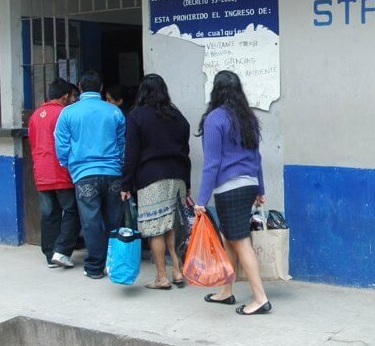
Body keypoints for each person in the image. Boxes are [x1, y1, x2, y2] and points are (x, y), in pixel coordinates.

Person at [194, 70, 271, 315]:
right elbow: (256, 158)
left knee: (240, 241)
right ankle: (226, 291)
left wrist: (201, 201)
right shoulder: (248, 117)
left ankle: (260, 298)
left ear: (215, 90)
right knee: (230, 237)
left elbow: (212, 163)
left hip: (229, 188)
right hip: (247, 185)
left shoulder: (215, 119)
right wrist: (259, 188)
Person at [120, 74, 191, 289]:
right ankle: (177, 271)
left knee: (155, 229)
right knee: (171, 226)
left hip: (152, 179)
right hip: (177, 177)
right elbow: (185, 151)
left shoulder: (137, 116)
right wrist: (187, 184)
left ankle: (162, 278)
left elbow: (131, 153)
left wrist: (125, 183)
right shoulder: (177, 116)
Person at [55, 70, 126, 280]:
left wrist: (70, 166)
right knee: (113, 220)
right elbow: (123, 144)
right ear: (102, 87)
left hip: (84, 174)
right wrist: (119, 167)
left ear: (79, 86)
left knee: (91, 221)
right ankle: (114, 264)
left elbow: (61, 145)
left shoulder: (68, 113)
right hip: (113, 173)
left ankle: (95, 267)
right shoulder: (114, 112)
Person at [28, 78, 81, 269]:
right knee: (72, 211)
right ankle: (62, 251)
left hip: (41, 172)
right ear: (65, 97)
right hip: (60, 171)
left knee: (49, 213)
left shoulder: (35, 115)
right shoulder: (64, 113)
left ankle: (50, 254)